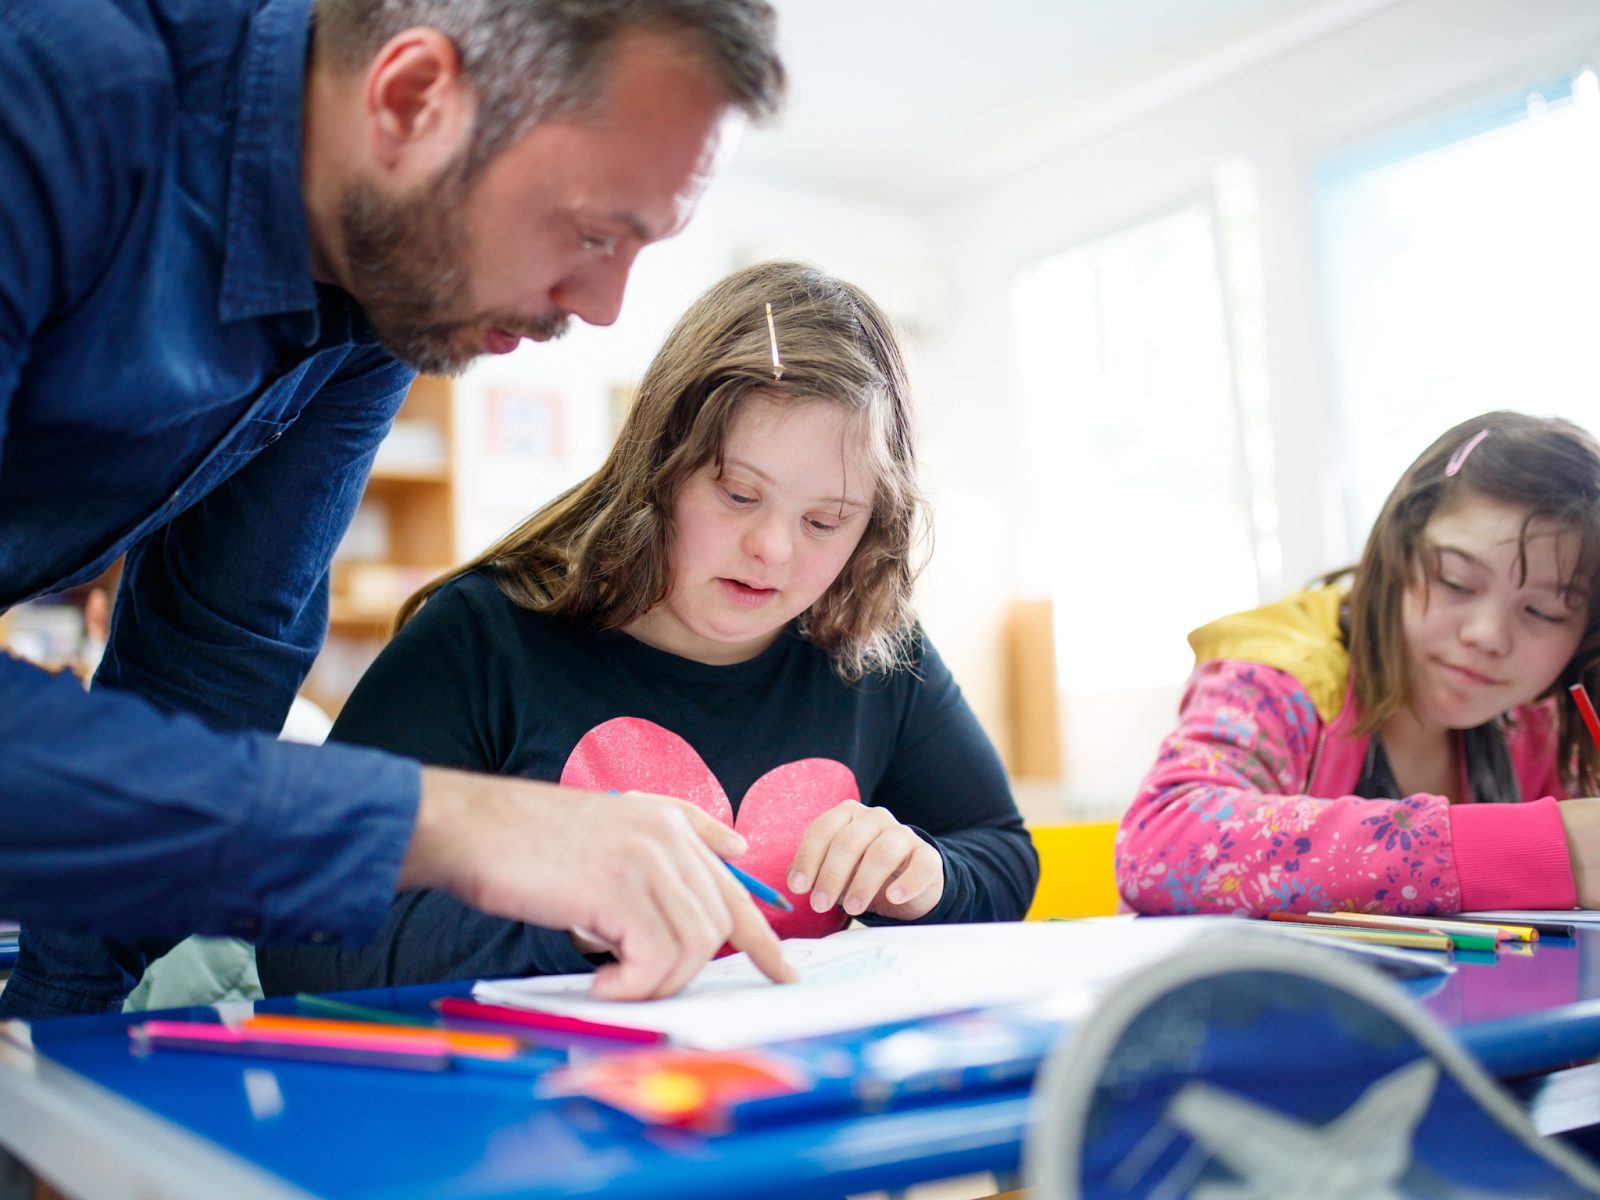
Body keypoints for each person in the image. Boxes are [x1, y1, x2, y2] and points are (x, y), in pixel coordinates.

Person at [0, 0, 794, 1020]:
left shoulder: (382, 290)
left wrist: (59, 1028)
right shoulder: (53, 88)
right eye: (595, 231)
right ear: (412, 98)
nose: (602, 308)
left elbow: (214, 653)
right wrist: (462, 824)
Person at [253, 262, 1039, 995]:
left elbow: (1003, 856)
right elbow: (301, 939)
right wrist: (577, 911)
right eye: (737, 494)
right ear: (659, 467)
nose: (773, 548)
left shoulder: (872, 651)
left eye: (826, 521)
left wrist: (928, 872)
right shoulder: (484, 637)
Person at [1117, 411, 1600, 918]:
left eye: (1545, 612)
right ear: (1395, 550)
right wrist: (1545, 846)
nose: (1487, 635)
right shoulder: (1281, 673)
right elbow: (1161, 844)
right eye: (1455, 581)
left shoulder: (1537, 719)